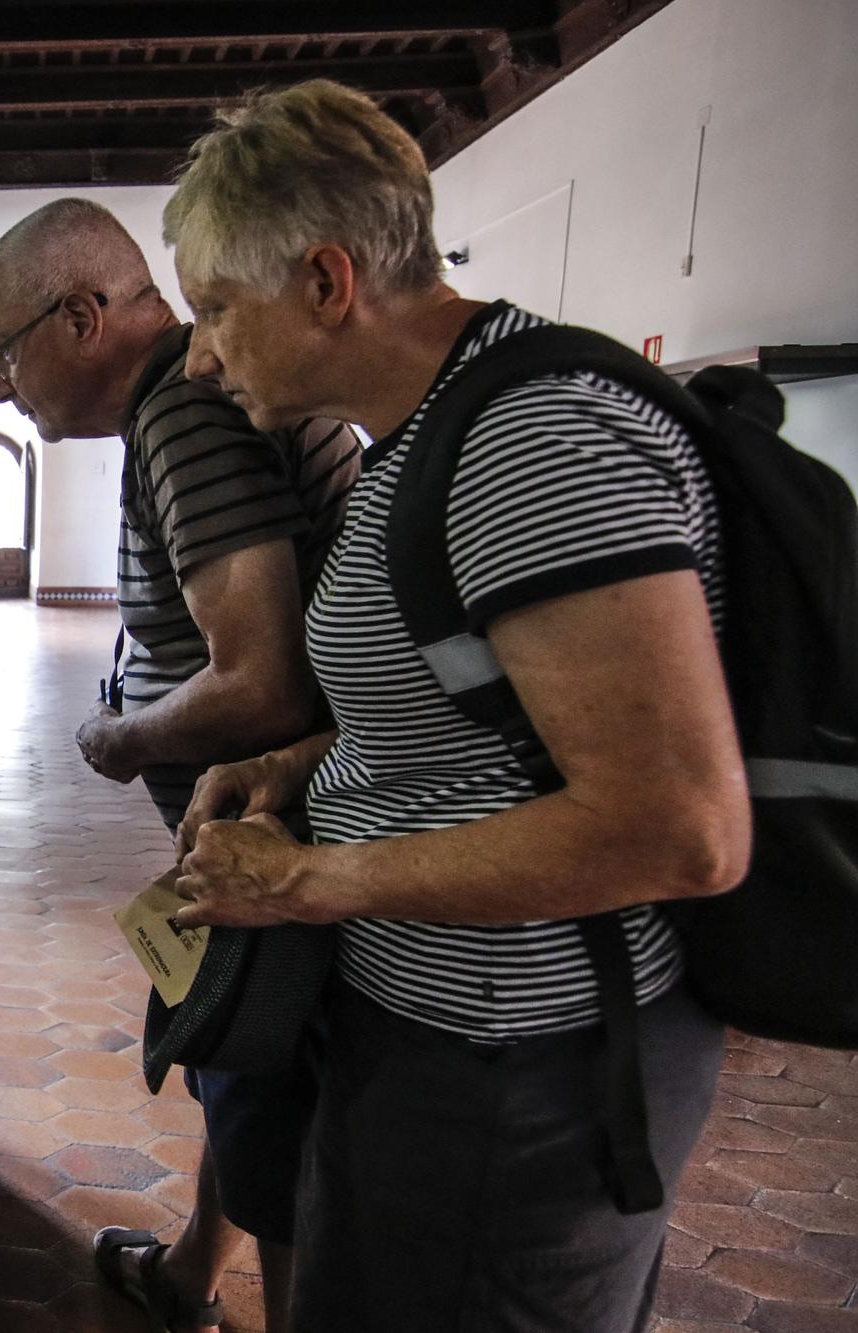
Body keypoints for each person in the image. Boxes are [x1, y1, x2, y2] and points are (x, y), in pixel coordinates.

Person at [161, 80, 748, 1331]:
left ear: (325, 282)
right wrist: (312, 764)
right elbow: (485, 712)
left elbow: (676, 826)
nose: (201, 355)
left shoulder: (526, 438)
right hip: (441, 1042)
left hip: (524, 1069)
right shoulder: (428, 430)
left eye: (215, 308)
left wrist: (307, 881)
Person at [0, 199, 360, 1333]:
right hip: (270, 836)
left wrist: (121, 736)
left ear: (82, 316)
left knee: (269, 1107)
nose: (0, 387)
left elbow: (265, 682)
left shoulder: (182, 412)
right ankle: (191, 1272)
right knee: (236, 1073)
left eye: (3, 353)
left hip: (284, 840)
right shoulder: (188, 398)